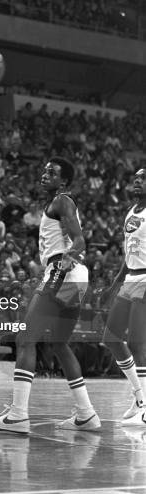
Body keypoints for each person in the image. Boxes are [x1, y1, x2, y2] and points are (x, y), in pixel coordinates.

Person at [0, 157, 101, 433]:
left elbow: (80, 240)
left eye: (53, 172)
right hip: (78, 277)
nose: (46, 174)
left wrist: (66, 259)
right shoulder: (57, 203)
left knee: (26, 339)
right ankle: (86, 414)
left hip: (63, 271)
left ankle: (18, 415)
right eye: (45, 170)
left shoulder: (62, 201)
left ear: (64, 181)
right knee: (59, 343)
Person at [102, 168, 146, 425]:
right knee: (111, 338)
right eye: (136, 178)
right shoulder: (130, 211)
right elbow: (128, 254)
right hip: (130, 279)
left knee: (139, 343)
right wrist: (113, 285)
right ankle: (139, 397)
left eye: (143, 179)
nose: (138, 182)